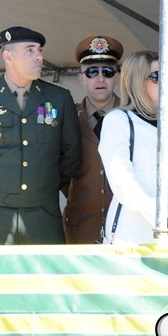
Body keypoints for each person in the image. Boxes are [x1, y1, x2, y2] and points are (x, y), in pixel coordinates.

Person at [0, 26, 81, 244]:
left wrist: (44, 185)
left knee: (44, 267)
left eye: (39, 50)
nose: (39, 57)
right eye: (30, 50)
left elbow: (72, 153)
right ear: (8, 56)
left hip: (43, 212)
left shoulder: (59, 98)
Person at [98, 51, 168, 244]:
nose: (164, 82)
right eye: (157, 76)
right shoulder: (118, 120)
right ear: (137, 81)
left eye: (167, 75)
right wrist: (159, 216)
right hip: (133, 231)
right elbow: (121, 179)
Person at [63, 36, 123, 244]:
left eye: (107, 72)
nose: (100, 78)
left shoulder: (132, 116)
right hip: (81, 224)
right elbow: (60, 172)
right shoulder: (68, 118)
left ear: (117, 77)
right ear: (81, 78)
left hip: (126, 225)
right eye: (92, 72)